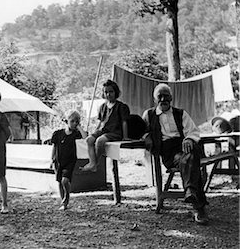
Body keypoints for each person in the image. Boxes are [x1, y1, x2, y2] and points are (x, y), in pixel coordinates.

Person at [142, 83, 209, 225]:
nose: (163, 99)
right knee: (191, 161)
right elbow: (142, 133)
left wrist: (189, 139)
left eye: (166, 96)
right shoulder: (149, 115)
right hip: (168, 153)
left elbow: (193, 131)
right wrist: (148, 139)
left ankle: (192, 195)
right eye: (159, 96)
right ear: (155, 99)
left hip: (184, 146)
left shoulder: (180, 113)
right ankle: (197, 204)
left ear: (171, 97)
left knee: (191, 156)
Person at [81, 80, 130, 172]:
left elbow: (124, 122)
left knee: (100, 141)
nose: (108, 94)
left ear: (116, 92)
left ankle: (95, 163)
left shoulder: (121, 106)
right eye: (106, 92)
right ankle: (92, 162)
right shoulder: (103, 107)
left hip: (115, 132)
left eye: (111, 92)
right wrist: (95, 133)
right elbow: (100, 122)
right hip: (104, 130)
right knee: (89, 140)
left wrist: (125, 136)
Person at [51, 111, 87, 210]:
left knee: (65, 180)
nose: (75, 123)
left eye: (77, 122)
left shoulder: (76, 134)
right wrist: (52, 159)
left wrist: (79, 127)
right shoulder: (58, 133)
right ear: (67, 121)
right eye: (72, 121)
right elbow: (54, 146)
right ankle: (64, 203)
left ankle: (67, 196)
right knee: (59, 181)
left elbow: (85, 138)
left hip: (70, 161)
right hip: (59, 161)